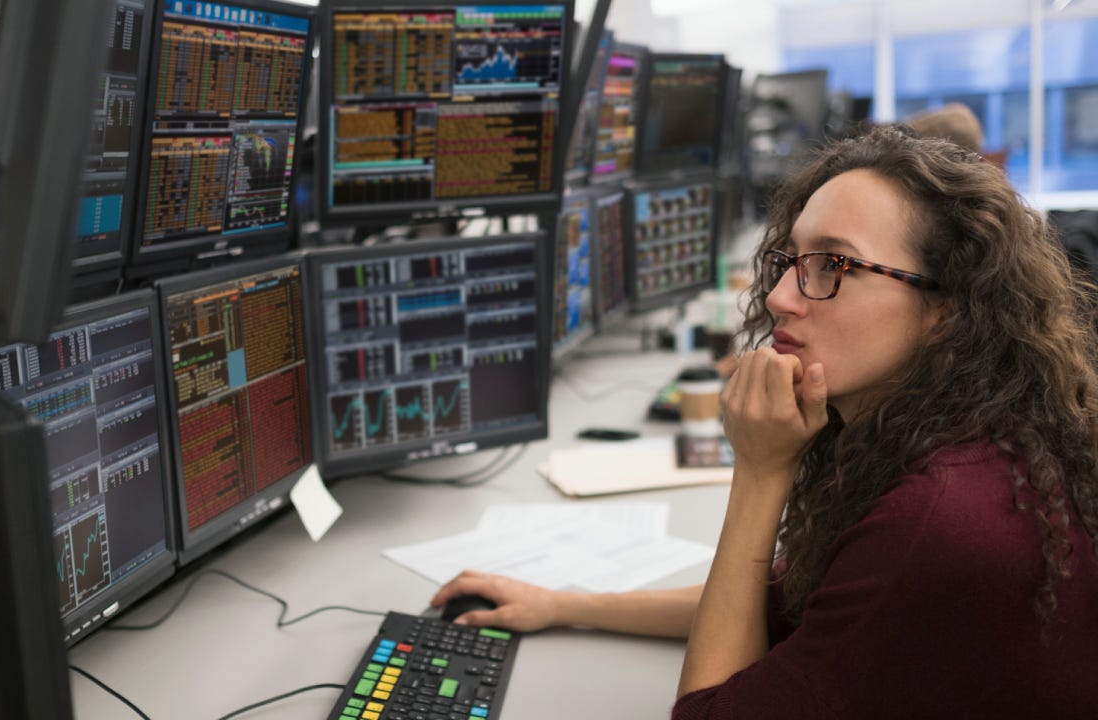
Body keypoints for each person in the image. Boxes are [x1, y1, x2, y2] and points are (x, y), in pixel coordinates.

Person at [431, 124, 1098, 718]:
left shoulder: (939, 516)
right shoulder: (948, 430)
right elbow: (784, 600)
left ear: (945, 309)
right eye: (791, 260)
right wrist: (563, 605)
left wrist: (758, 469)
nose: (779, 297)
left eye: (834, 265)